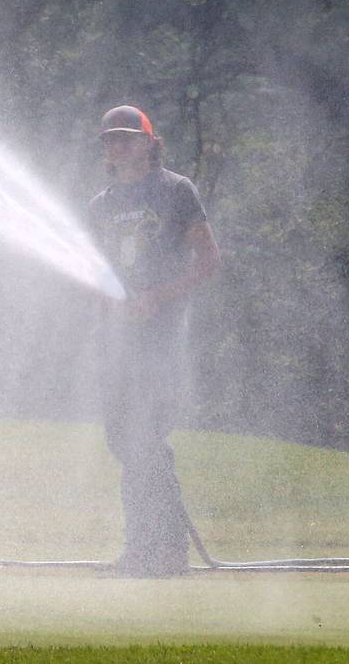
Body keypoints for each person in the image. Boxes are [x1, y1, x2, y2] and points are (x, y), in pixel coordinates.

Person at [88, 105, 220, 577]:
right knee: (124, 441)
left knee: (146, 438)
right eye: (110, 139)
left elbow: (207, 260)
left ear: (149, 141)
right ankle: (145, 549)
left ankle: (163, 552)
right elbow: (96, 273)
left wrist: (156, 298)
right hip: (117, 343)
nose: (117, 146)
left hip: (161, 339)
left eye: (126, 137)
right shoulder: (100, 204)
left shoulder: (175, 190)